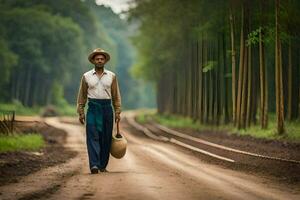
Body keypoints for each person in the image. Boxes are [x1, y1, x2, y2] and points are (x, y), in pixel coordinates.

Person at [76, 48, 121, 174]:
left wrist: (117, 111)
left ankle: (102, 165)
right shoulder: (86, 76)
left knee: (106, 138)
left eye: (102, 59)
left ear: (105, 61)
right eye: (97, 59)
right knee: (92, 136)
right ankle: (94, 165)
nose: (100, 61)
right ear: (93, 61)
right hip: (93, 108)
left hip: (107, 108)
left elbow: (116, 95)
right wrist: (81, 111)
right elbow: (82, 95)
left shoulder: (112, 76)